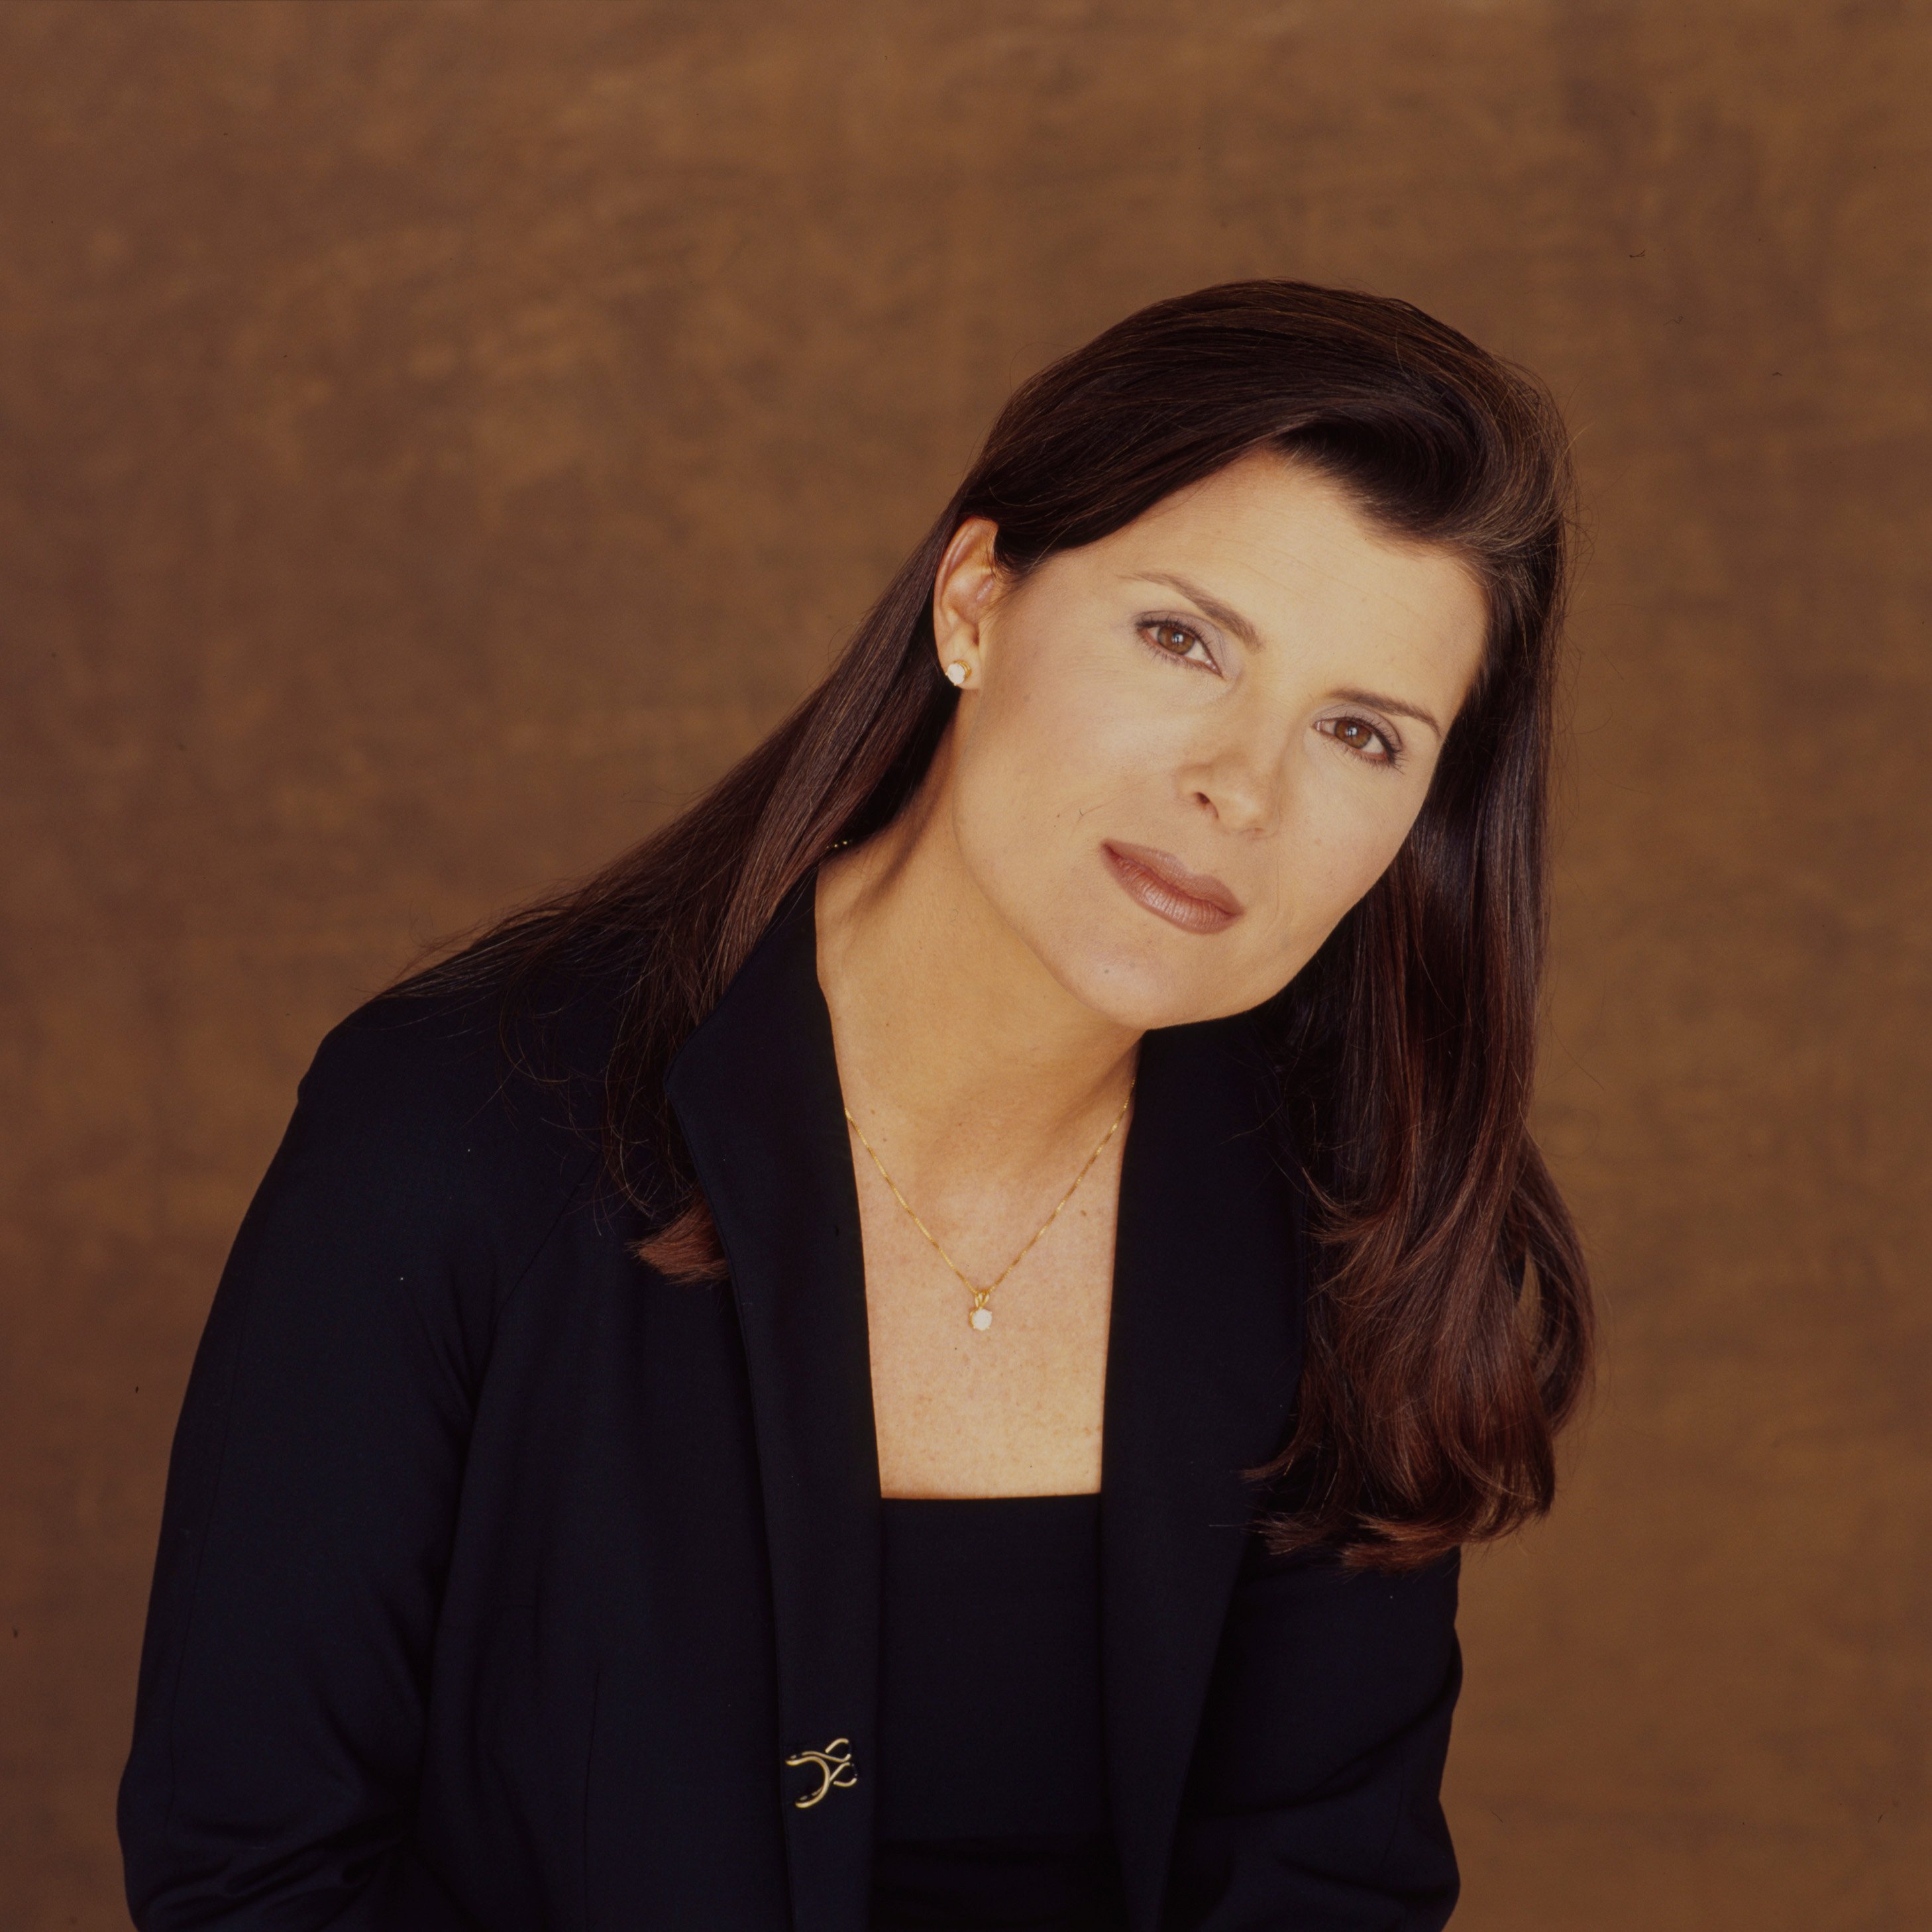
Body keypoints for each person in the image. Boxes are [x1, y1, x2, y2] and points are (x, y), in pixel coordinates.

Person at [118, 280, 1593, 1932]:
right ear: (975, 602)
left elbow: (1330, 1890)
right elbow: (255, 1875)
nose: (1242, 789)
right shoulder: (452, 1127)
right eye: (1184, 640)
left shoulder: (1352, 1224)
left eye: (1361, 733)